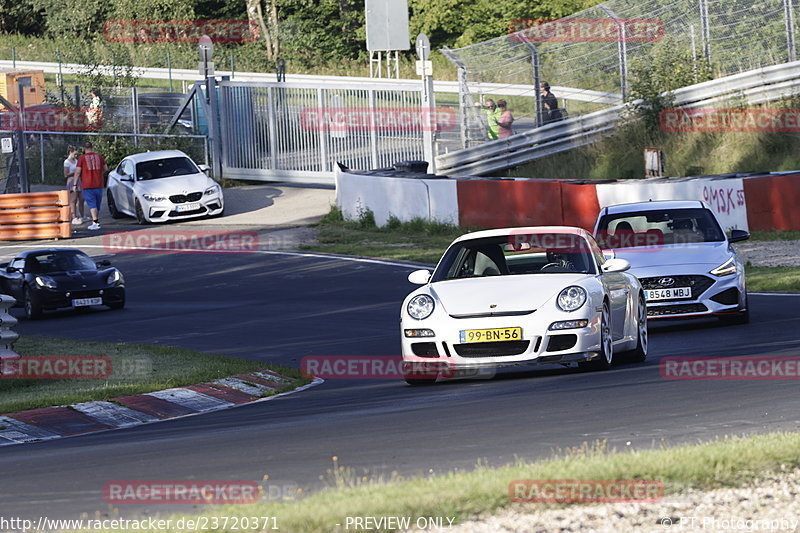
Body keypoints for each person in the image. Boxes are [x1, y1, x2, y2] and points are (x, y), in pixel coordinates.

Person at [74, 141, 108, 230]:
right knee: (97, 203)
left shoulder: (82, 158)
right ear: (92, 147)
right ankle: (96, 220)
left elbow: (77, 172)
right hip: (99, 183)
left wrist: (75, 184)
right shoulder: (99, 157)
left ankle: (95, 222)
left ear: (84, 148)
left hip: (87, 184)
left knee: (92, 204)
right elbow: (106, 168)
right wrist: (99, 174)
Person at [63, 146, 85, 225]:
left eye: (76, 155)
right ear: (70, 153)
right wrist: (76, 172)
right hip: (71, 181)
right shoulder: (67, 162)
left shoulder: (76, 161)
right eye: (74, 154)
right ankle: (74, 217)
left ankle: (82, 215)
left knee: (82, 199)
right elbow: (66, 174)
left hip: (79, 180)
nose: (76, 156)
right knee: (74, 200)